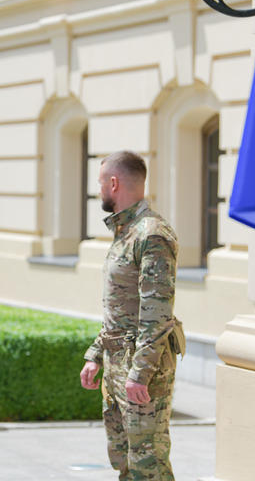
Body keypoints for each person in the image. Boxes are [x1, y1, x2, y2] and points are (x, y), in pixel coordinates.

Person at [79, 150, 183, 481]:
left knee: (147, 464)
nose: (99, 191)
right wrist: (96, 354)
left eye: (100, 183)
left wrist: (140, 373)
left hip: (141, 368)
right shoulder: (126, 232)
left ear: (114, 183)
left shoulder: (151, 233)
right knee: (123, 459)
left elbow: (157, 311)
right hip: (116, 362)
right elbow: (121, 308)